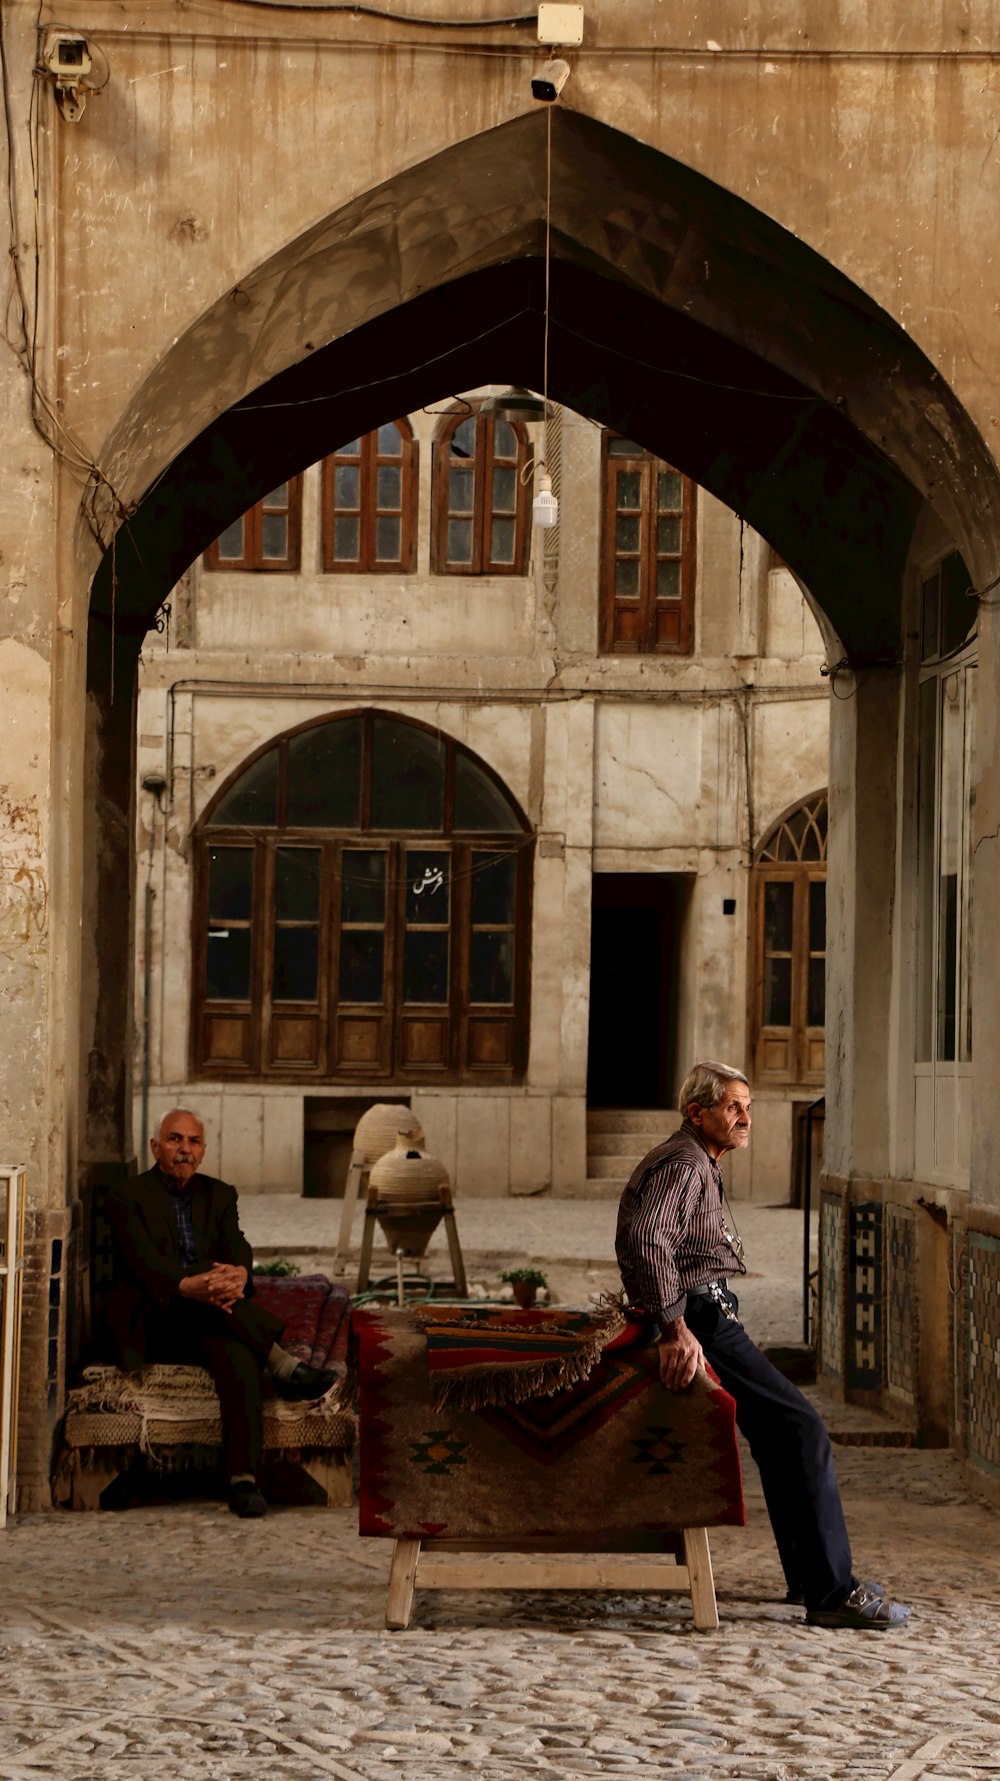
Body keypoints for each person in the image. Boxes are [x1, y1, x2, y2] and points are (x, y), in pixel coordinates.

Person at [615, 1060, 909, 1629]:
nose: (746, 1117)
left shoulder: (698, 1159)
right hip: (700, 1316)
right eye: (733, 1107)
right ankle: (831, 1594)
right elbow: (645, 1237)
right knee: (803, 1428)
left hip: (705, 1312)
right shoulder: (684, 1162)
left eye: (749, 1106)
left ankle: (810, 1578)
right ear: (697, 1113)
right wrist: (676, 1328)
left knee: (778, 1434)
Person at [104, 1108, 338, 1518]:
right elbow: (138, 1261)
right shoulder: (127, 1196)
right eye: (175, 1140)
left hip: (213, 1317)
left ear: (203, 1151)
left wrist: (239, 1272)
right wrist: (184, 1284)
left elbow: (236, 1244)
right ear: (155, 1147)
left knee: (239, 1354)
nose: (184, 1149)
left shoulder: (220, 1193)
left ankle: (242, 1480)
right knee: (203, 1281)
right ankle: (283, 1364)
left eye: (193, 1142)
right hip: (157, 1320)